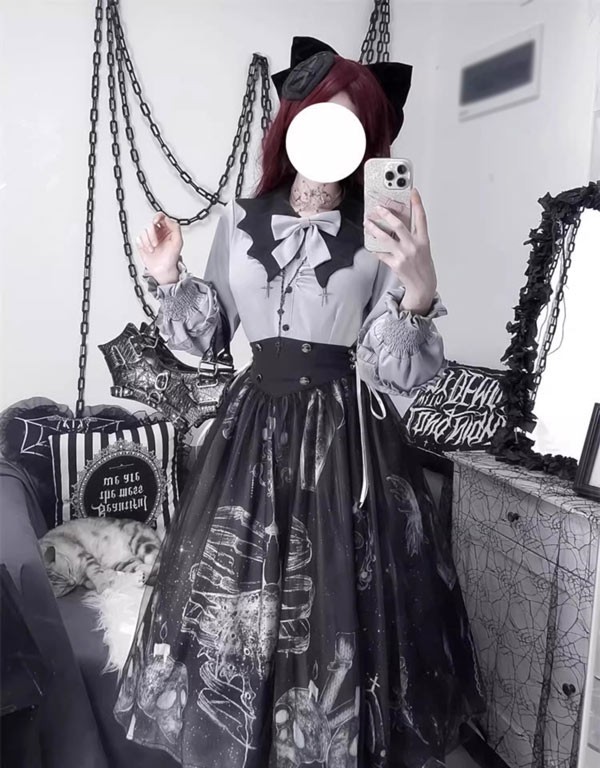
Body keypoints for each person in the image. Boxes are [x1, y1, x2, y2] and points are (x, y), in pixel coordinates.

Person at [113, 37, 485, 768]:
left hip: (345, 437)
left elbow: (394, 371)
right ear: (294, 122)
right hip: (252, 426)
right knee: (240, 589)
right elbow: (210, 337)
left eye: (352, 123)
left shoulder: (380, 233)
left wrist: (418, 291)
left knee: (342, 599)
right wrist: (168, 276)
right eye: (321, 115)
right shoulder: (241, 220)